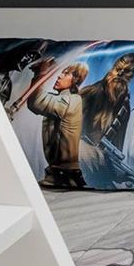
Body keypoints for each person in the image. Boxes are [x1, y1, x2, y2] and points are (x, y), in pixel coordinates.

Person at [25, 57, 89, 188]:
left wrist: (41, 73)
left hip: (65, 178)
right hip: (58, 176)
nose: (59, 76)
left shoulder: (72, 100)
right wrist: (38, 74)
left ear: (75, 79)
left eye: (66, 73)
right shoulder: (63, 99)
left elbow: (36, 102)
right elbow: (35, 102)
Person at [79, 52, 134, 161]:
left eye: (126, 71)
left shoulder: (125, 107)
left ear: (131, 77)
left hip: (100, 159)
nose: (120, 74)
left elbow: (117, 145)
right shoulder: (92, 92)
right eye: (118, 69)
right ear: (112, 69)